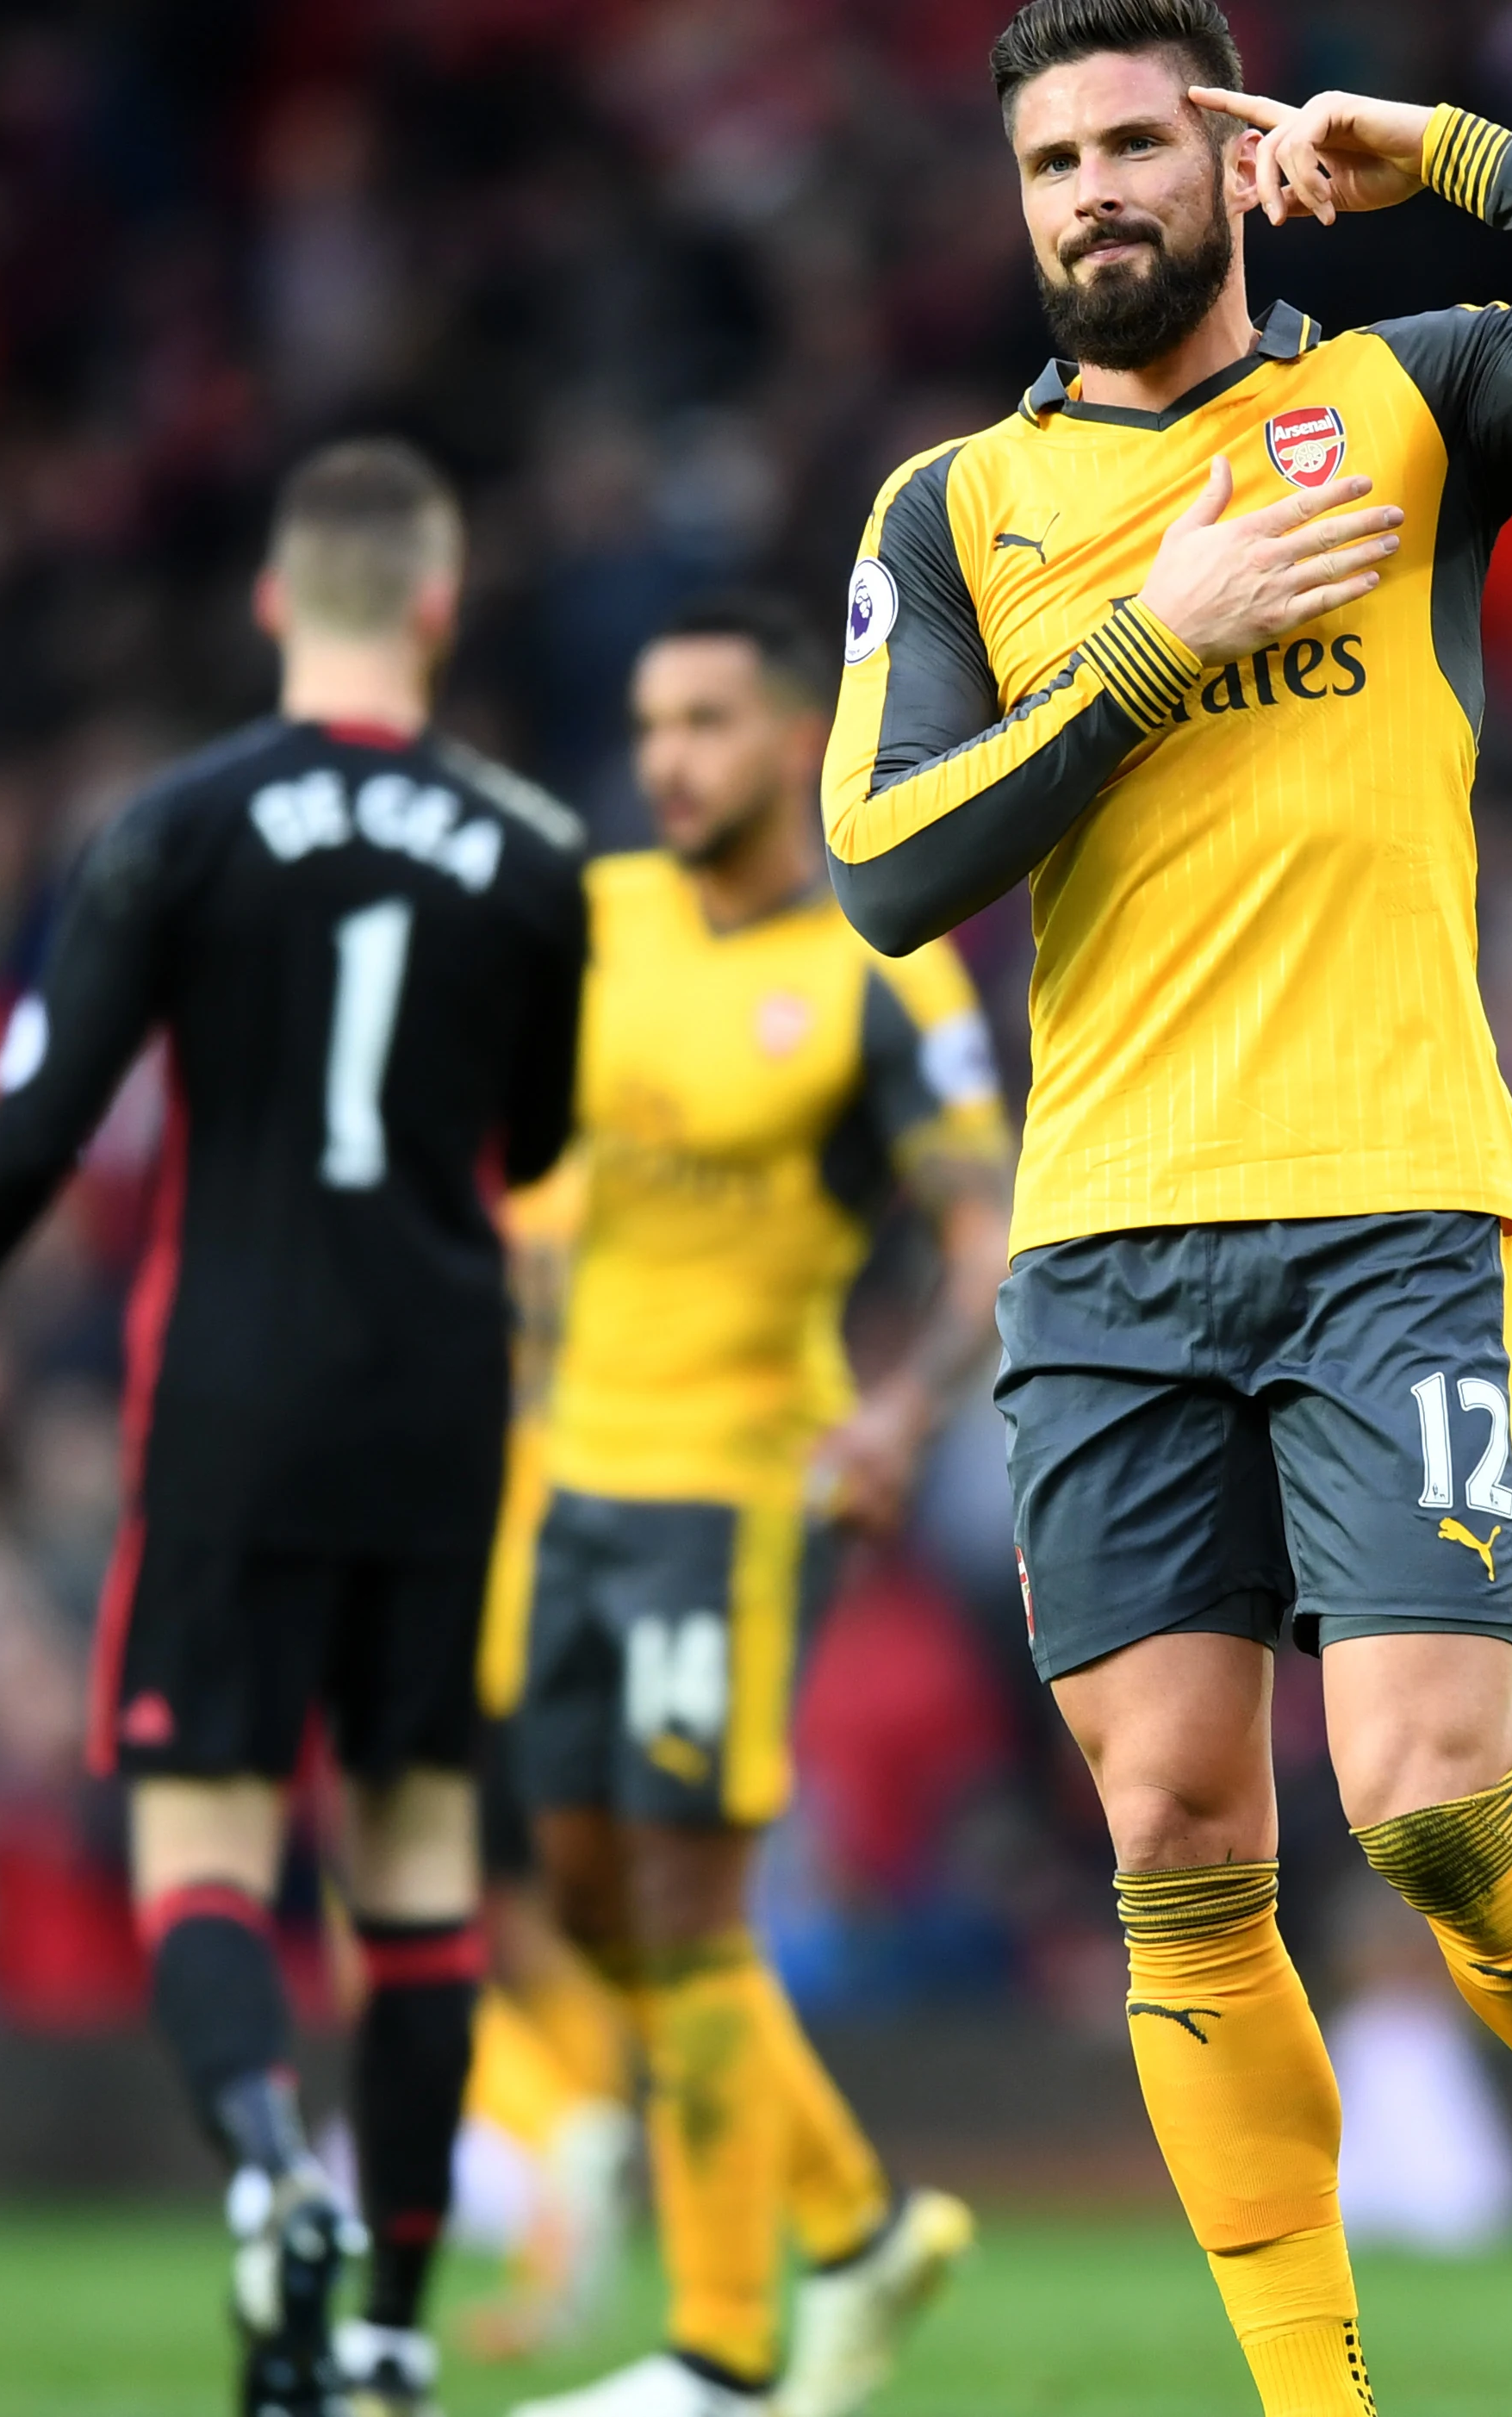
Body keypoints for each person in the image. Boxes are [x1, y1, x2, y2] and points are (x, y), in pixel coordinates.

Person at [819, 7, 1512, 2411]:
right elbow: (883, 864)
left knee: (1432, 1796)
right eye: (1049, 160)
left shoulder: (1411, 399)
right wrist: (1173, 639)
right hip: (1106, 1244)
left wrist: (1456, 151)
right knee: (1177, 1828)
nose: (1088, 195)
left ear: (1236, 158)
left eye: (1135, 142)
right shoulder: (948, 513)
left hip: (1386, 1205)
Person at [0, 439, 589, 2417]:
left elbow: (38, 1121)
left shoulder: (170, 826)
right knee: (418, 1863)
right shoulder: (531, 851)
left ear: (274, 601)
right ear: (435, 604)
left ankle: (267, 2165)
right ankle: (403, 2329)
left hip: (232, 1393)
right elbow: (543, 1148)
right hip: (439, 1400)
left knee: (205, 1842)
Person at [505, 593, 1011, 2417]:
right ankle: (864, 2233)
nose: (667, 758)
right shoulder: (597, 918)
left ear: (796, 736)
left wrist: (897, 1414)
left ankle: (720, 2354)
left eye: (708, 719)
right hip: (570, 1477)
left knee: (687, 1898)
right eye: (651, 720)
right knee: (585, 1894)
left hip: (737, 1490)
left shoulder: (884, 964)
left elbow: (981, 1228)